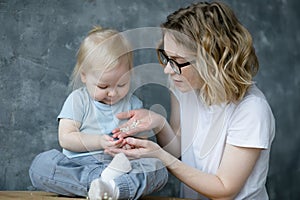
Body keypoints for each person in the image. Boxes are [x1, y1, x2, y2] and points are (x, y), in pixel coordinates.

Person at [107, 2, 275, 200]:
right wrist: (158, 123)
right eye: (166, 57)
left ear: (213, 60)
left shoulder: (252, 110)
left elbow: (224, 189)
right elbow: (179, 148)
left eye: (177, 61)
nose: (168, 70)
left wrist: (161, 156)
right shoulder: (183, 86)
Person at [29, 26, 168, 200]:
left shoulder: (133, 104)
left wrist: (131, 145)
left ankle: (111, 187)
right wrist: (100, 141)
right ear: (84, 76)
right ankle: (105, 183)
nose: (113, 93)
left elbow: (142, 143)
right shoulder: (78, 100)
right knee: (42, 164)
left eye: (122, 84)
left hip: (122, 165)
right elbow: (66, 138)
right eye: (103, 86)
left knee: (158, 168)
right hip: (79, 165)